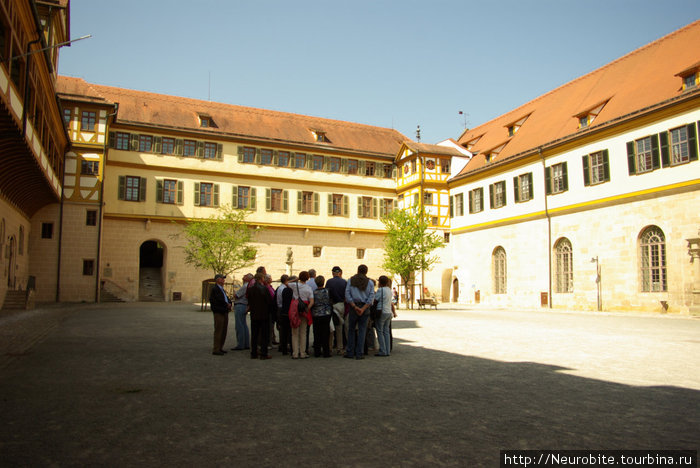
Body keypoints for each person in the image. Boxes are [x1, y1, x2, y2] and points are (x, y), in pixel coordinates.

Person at [344, 264, 375, 360]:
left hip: (354, 306)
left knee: (351, 330)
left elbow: (347, 293)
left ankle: (350, 352)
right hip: (364, 307)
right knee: (362, 330)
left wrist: (354, 306)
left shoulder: (351, 280)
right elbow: (371, 297)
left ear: (357, 270)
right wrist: (363, 308)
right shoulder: (370, 283)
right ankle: (360, 353)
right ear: (366, 272)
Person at [248, 272, 273, 359]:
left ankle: (253, 353)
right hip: (263, 314)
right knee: (264, 335)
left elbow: (250, 301)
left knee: (254, 335)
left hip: (254, 314)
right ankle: (263, 353)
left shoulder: (251, 289)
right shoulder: (264, 289)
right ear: (261, 279)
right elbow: (269, 301)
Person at [290, 271, 314, 359]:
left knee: (295, 332)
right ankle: (302, 352)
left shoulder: (295, 286)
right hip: (304, 310)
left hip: (295, 309)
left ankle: (295, 353)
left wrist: (296, 279)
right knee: (303, 332)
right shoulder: (308, 288)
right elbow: (312, 301)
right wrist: (308, 308)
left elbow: (286, 283)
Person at [326, 266, 347, 355]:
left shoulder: (329, 281)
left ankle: (330, 347)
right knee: (339, 327)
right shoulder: (344, 282)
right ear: (340, 273)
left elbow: (326, 294)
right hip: (341, 304)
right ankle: (340, 348)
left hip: (331, 305)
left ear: (333, 273)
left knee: (330, 327)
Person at [209, 273, 232, 355]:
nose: (223, 280)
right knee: (219, 330)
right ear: (218, 280)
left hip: (224, 311)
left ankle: (220, 347)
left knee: (223, 330)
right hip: (219, 311)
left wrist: (229, 303)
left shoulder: (222, 289)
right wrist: (226, 304)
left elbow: (227, 299)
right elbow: (219, 300)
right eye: (222, 278)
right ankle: (216, 348)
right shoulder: (215, 289)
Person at [374, 275, 396, 356]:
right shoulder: (389, 290)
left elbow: (376, 300)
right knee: (386, 332)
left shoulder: (380, 290)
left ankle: (382, 350)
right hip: (388, 312)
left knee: (380, 331)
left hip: (381, 311)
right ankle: (387, 350)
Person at [311, 275, 332, 358]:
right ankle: (326, 352)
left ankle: (317, 351)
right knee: (325, 333)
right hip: (326, 313)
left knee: (316, 333)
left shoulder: (314, 292)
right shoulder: (327, 291)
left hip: (316, 314)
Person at [231, 273, 253, 351]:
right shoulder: (249, 286)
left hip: (240, 305)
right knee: (243, 324)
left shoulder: (245, 286)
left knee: (239, 325)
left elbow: (237, 295)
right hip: (244, 305)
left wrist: (234, 293)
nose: (243, 276)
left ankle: (240, 344)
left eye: (245, 276)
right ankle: (246, 343)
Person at [275, 275, 292, 354]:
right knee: (285, 330)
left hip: (281, 308)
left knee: (283, 329)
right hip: (283, 309)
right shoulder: (284, 289)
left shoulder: (279, 288)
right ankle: (284, 345)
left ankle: (283, 345)